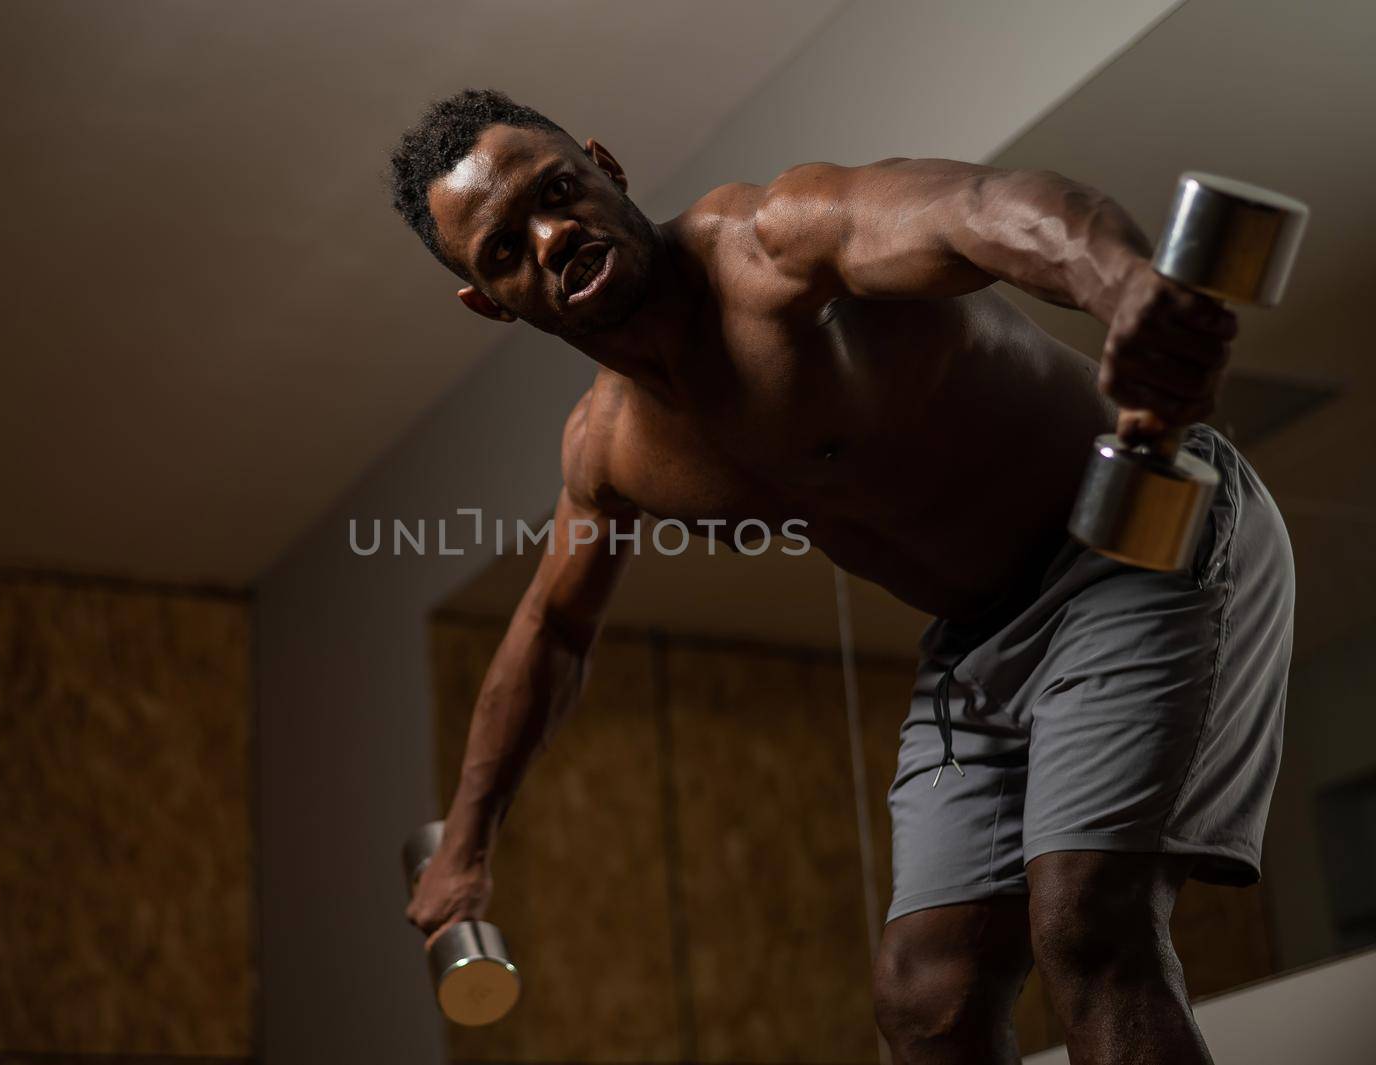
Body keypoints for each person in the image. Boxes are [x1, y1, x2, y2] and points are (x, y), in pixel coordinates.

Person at [391, 88, 1292, 1064]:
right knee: (923, 997)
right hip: (975, 642)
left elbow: (981, 208)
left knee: (1085, 921)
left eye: (558, 189)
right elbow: (552, 632)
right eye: (506, 248)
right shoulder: (611, 451)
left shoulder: (776, 242)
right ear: (489, 301)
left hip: (1126, 549)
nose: (553, 230)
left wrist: (1117, 284)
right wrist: (467, 844)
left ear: (604, 167)